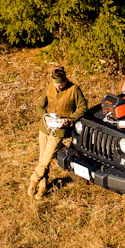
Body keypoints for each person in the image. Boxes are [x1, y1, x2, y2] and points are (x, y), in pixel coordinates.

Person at [28, 67, 88, 199]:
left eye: (60, 84)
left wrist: (69, 119)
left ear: (65, 80)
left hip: (59, 131)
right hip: (45, 127)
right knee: (43, 158)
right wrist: (45, 116)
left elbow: (83, 108)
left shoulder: (74, 90)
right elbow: (40, 106)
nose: (58, 87)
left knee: (47, 158)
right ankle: (42, 187)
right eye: (55, 84)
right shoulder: (50, 87)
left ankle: (34, 179)